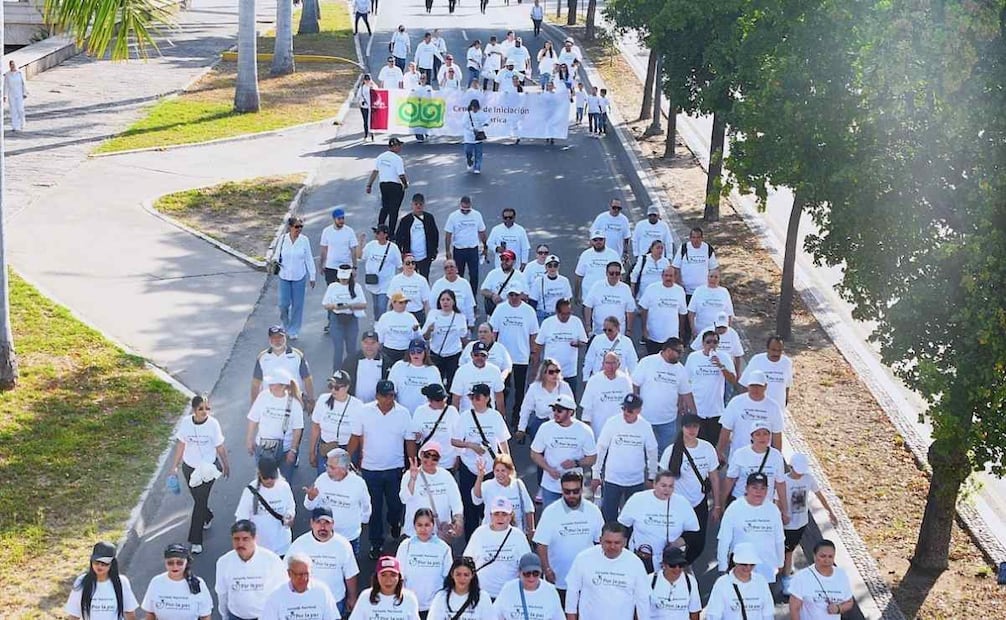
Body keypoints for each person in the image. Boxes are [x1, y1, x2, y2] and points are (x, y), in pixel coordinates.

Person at [349, 380, 415, 559]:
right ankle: (376, 544)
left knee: (395, 505)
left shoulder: (403, 413)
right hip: (370, 469)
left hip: (395, 469)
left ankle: (394, 523)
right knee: (374, 509)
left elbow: (409, 441)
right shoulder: (364, 411)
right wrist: (347, 457)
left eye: (392, 395)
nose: (388, 399)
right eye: (385, 395)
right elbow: (355, 437)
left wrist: (413, 463)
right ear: (377, 396)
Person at [168, 394, 229, 555]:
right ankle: (207, 516)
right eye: (201, 408)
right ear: (194, 410)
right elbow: (181, 444)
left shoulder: (213, 424)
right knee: (198, 500)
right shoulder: (187, 423)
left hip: (208, 469)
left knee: (200, 502)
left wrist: (225, 465)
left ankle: (195, 540)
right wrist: (174, 466)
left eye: (207, 408)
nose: (204, 411)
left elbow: (220, 446)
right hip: (189, 467)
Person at [452, 383, 514, 537]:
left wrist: (509, 463)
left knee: (489, 505)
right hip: (470, 467)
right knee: (469, 506)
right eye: (472, 397)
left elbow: (503, 441)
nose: (474, 400)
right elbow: (454, 441)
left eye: (477, 397)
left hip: (490, 468)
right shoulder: (465, 417)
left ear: (487, 398)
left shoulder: (495, 416)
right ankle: (470, 542)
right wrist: (471, 445)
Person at [659, 415, 721, 565]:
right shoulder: (671, 451)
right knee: (672, 538)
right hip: (676, 503)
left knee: (698, 543)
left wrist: (717, 505)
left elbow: (714, 478)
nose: (692, 430)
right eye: (688, 426)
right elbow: (662, 479)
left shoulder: (707, 448)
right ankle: (673, 565)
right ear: (682, 428)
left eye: (695, 426)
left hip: (699, 501)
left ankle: (683, 564)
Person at [532, 472, 603, 601]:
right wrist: (546, 569)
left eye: (575, 491)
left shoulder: (594, 511)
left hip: (586, 581)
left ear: (582, 489)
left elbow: (600, 543)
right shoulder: (550, 512)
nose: (571, 495)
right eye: (567, 491)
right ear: (561, 490)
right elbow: (541, 544)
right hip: (558, 579)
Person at [592, 394, 658, 522]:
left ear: (639, 410)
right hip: (612, 480)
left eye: (630, 410)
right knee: (608, 517)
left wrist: (652, 476)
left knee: (633, 518)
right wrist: (596, 474)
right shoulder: (612, 422)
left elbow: (652, 451)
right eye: (624, 409)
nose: (626, 413)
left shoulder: (645, 426)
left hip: (635, 481)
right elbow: (601, 449)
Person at [617, 471, 699, 573]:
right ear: (655, 484)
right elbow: (622, 527)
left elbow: (694, 532)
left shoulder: (682, 503)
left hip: (669, 561)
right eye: (663, 485)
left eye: (670, 486)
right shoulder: (638, 499)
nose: (667, 490)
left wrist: (678, 542)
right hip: (642, 558)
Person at [564, 522, 649, 620]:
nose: (612, 546)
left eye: (617, 542)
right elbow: (572, 591)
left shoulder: (635, 563)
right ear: (600, 540)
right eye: (608, 542)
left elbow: (643, 599)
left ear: (625, 542)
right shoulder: (583, 558)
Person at [780, 453, 838, 596]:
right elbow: (777, 500)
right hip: (787, 524)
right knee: (787, 550)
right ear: (791, 467)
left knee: (790, 549)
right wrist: (781, 515)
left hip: (801, 522)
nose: (800, 474)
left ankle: (786, 567)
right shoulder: (783, 482)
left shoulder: (808, 478)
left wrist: (830, 511)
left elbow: (819, 494)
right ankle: (786, 577)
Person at [288, 507, 360, 614]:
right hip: (306, 602)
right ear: (311, 523)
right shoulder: (299, 545)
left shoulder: (343, 545)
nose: (323, 527)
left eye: (327, 522)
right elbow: (286, 572)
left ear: (333, 524)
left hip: (335, 601)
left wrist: (352, 598)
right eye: (318, 522)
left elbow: (350, 574)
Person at [717, 473, 786, 585]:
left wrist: (780, 563)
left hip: (767, 571)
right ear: (746, 488)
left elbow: (779, 540)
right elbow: (724, 540)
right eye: (754, 488)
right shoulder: (734, 508)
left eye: (763, 488)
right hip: (740, 570)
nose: (758, 492)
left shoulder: (773, 510)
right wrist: (722, 566)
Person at [530, 395, 597, 507]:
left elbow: (592, 458)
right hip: (550, 486)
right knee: (550, 519)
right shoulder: (545, 428)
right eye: (554, 409)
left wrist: (576, 463)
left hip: (574, 489)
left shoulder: (584, 431)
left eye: (559, 410)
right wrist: (549, 469)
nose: (555, 413)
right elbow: (534, 453)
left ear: (570, 412)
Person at [633, 338, 696, 455]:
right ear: (668, 350)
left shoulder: (680, 369)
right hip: (645, 418)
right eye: (679, 352)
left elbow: (686, 393)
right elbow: (635, 385)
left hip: (669, 420)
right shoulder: (647, 362)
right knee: (642, 451)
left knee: (666, 453)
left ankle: (662, 473)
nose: (681, 356)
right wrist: (634, 407)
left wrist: (693, 414)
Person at [215, 520, 287, 620]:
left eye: (245, 539)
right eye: (236, 539)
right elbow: (222, 593)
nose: (240, 543)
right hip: (235, 616)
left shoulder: (272, 560)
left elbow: (283, 591)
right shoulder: (224, 562)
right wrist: (224, 615)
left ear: (255, 538)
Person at [463, 497, 533, 598]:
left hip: (509, 595)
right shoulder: (479, 533)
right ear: (490, 515)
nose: (500, 518)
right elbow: (467, 561)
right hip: (482, 595)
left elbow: (527, 565)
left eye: (504, 514)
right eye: (496, 514)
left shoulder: (518, 536)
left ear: (510, 516)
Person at [490, 283, 539, 425]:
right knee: (502, 388)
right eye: (511, 295)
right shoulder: (500, 309)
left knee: (519, 390)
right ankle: (501, 414)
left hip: (521, 356)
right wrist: (493, 350)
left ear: (521, 295)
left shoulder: (528, 311)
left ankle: (517, 415)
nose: (513, 298)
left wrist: (533, 352)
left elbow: (533, 334)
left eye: (516, 295)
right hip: (503, 357)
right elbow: (494, 331)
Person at [303, 449, 372, 551]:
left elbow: (366, 506)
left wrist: (359, 521)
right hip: (325, 536)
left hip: (349, 537)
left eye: (332, 467)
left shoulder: (358, 483)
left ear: (344, 469)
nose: (328, 470)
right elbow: (309, 506)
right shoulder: (322, 480)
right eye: (327, 465)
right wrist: (311, 498)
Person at [246, 373, 305, 482]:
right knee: (263, 482)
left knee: (284, 482)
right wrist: (249, 439)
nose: (269, 386)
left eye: (273, 384)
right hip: (263, 448)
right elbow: (253, 419)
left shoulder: (294, 404)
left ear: (283, 386)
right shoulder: (263, 396)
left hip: (285, 450)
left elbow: (297, 430)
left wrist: (293, 450)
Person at [401, 442, 465, 539]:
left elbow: (456, 501)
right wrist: (413, 479)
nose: (430, 460)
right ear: (421, 455)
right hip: (415, 533)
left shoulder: (446, 475)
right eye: (427, 455)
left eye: (435, 458)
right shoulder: (409, 475)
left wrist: (458, 519)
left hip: (440, 533)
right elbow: (404, 499)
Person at [717, 370, 784, 461]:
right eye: (752, 386)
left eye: (759, 386)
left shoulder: (774, 407)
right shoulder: (736, 402)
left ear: (765, 387)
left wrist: (777, 458)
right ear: (748, 386)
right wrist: (719, 451)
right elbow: (726, 429)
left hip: (763, 460)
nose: (755, 389)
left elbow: (777, 435)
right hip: (738, 457)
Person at [396, 509, 454, 614]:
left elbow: (449, 578)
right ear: (414, 526)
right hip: (410, 606)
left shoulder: (444, 548)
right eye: (419, 525)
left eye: (427, 525)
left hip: (434, 607)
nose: (423, 529)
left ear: (433, 525)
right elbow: (399, 576)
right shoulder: (405, 546)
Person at [684, 330, 736, 445]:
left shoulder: (725, 357)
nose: (711, 345)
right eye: (708, 342)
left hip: (716, 411)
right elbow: (685, 381)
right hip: (696, 409)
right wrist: (684, 403)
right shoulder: (693, 357)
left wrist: (721, 366)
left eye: (715, 342)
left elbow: (733, 380)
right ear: (703, 343)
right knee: (695, 443)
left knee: (713, 445)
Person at [235, 457, 296, 556]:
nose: (269, 481)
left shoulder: (284, 486)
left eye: (272, 477)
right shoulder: (251, 491)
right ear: (259, 474)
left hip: (282, 544)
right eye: (265, 477)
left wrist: (289, 516)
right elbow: (242, 517)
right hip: (260, 547)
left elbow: (291, 506)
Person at [722, 422, 788, 513]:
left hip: (765, 505)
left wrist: (785, 510)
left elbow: (780, 484)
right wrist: (720, 504)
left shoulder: (776, 456)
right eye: (758, 434)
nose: (762, 437)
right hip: (741, 503)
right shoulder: (740, 454)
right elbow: (730, 480)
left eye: (765, 434)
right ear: (752, 437)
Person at [65, 541, 139, 620]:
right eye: (96, 562)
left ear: (112, 564)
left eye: (104, 563)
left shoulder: (122, 582)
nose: (99, 566)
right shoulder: (81, 581)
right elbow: (74, 615)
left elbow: (129, 612)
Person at [309, 370, 365, 473]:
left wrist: (360, 456)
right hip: (326, 448)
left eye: (337, 387)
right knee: (324, 481)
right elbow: (315, 427)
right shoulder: (323, 400)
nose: (333, 390)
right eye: (331, 386)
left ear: (347, 387)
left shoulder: (358, 406)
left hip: (347, 449)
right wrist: (312, 452)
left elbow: (359, 435)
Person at [516, 358, 574, 450]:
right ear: (543, 373)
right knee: (539, 453)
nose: (555, 374)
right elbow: (526, 409)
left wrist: (572, 427)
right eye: (551, 372)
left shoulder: (564, 387)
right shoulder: (534, 387)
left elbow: (572, 408)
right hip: (540, 425)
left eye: (557, 371)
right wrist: (521, 429)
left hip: (559, 424)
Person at [250, 324, 315, 406]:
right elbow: (256, 383)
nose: (277, 341)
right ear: (269, 339)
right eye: (274, 338)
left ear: (285, 338)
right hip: (269, 401)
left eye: (280, 337)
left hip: (293, 400)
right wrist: (254, 405)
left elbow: (307, 379)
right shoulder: (262, 357)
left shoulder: (297, 355)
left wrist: (311, 400)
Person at [705, 543, 774, 620]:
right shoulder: (722, 584)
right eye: (744, 564)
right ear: (735, 562)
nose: (748, 568)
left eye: (752, 564)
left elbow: (768, 613)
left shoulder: (761, 581)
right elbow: (714, 615)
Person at [261, 554, 340, 620]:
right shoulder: (276, 596)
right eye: (299, 575)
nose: (304, 578)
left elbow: (332, 617)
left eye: (306, 574)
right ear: (289, 573)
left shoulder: (322, 590)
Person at [472, 453, 535, 536]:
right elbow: (476, 500)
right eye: (497, 471)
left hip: (515, 534)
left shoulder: (518, 484)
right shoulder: (487, 485)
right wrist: (480, 477)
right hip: (491, 534)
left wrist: (531, 530)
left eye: (503, 470)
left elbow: (528, 509)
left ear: (510, 471)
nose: (500, 474)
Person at [788, 539, 854, 618]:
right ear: (815, 556)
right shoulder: (802, 577)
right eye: (823, 556)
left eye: (830, 557)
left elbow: (849, 602)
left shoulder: (841, 575)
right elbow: (794, 608)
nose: (826, 560)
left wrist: (838, 608)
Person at [532, 299, 587, 392]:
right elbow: (538, 345)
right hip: (550, 372)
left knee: (569, 402)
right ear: (557, 312)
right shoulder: (548, 323)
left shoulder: (576, 322)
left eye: (568, 313)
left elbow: (584, 342)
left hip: (569, 372)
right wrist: (536, 368)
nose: (566, 316)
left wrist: (578, 344)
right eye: (563, 314)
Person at [275, 216, 316, 340]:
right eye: (296, 226)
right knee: (283, 304)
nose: (299, 229)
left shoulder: (304, 240)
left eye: (301, 227)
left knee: (297, 305)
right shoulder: (283, 239)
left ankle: (293, 329)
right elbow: (277, 254)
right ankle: (285, 324)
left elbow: (308, 258)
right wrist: (274, 262)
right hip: (284, 276)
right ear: (290, 227)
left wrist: (312, 276)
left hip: (299, 277)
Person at [324, 265, 369, 371]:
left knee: (351, 349)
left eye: (345, 277)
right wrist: (335, 306)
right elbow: (326, 304)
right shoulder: (333, 287)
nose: (343, 280)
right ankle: (337, 374)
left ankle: (351, 372)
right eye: (342, 277)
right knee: (338, 349)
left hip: (351, 318)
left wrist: (349, 306)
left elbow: (364, 304)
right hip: (336, 318)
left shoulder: (356, 287)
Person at [493, 553, 564, 620]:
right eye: (527, 573)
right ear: (519, 572)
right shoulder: (508, 589)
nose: (531, 577)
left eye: (535, 573)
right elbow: (493, 616)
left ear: (540, 573)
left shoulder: (550, 591)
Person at [349, 557, 422, 620]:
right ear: (376, 577)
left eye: (393, 575)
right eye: (383, 575)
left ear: (399, 577)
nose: (388, 579)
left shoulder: (409, 598)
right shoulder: (365, 597)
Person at [638, 267, 688, 356]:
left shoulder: (680, 291)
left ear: (675, 277)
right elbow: (644, 309)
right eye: (666, 275)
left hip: (672, 336)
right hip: (653, 335)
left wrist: (681, 332)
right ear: (662, 276)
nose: (668, 278)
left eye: (671, 276)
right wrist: (644, 329)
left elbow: (682, 313)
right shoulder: (652, 288)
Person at [410, 383, 462, 469]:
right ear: (429, 400)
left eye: (443, 399)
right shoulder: (420, 411)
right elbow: (415, 437)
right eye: (438, 400)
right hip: (427, 461)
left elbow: (458, 436)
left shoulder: (452, 411)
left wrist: (458, 456)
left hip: (447, 461)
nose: (442, 402)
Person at [424, 289, 469, 386]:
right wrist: (429, 330)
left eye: (448, 299)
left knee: (452, 384)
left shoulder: (459, 317)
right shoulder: (433, 314)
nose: (445, 302)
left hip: (454, 354)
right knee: (435, 384)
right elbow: (425, 337)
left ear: (453, 301)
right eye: (442, 299)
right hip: (436, 354)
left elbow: (463, 337)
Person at [580, 351, 634, 433]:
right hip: (598, 429)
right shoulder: (594, 381)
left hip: (620, 430)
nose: (610, 366)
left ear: (619, 364)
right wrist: (587, 430)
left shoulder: (625, 380)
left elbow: (630, 406)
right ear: (603, 364)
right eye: (608, 363)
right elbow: (587, 409)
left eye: (613, 363)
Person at [444, 195, 490, 292]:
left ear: (471, 206)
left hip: (473, 250)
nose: (465, 211)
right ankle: (458, 296)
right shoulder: (453, 216)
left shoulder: (477, 215)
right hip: (459, 250)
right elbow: (448, 234)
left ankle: (473, 298)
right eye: (463, 209)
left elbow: (482, 232)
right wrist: (448, 250)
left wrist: (485, 247)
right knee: (458, 275)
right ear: (460, 205)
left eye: (467, 210)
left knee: (474, 275)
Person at [428, 556, 495, 620]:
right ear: (452, 574)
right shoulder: (441, 596)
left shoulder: (483, 597)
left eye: (466, 575)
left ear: (472, 575)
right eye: (458, 574)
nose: (462, 578)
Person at [366, 138, 409, 237]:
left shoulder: (381, 157)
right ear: (394, 146)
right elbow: (401, 174)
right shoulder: (397, 159)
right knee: (394, 210)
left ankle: (380, 227)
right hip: (395, 185)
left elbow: (375, 171)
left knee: (385, 207)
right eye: (398, 145)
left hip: (384, 185)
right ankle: (391, 233)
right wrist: (405, 184)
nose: (400, 147)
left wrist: (369, 184)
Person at [389, 339, 443, 413]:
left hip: (425, 414)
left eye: (419, 351)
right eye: (412, 352)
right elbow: (391, 392)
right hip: (402, 413)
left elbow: (439, 395)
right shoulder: (398, 366)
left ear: (425, 352)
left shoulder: (433, 370)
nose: (416, 354)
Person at [452, 341, 507, 414]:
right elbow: (456, 398)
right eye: (476, 355)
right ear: (471, 355)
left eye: (483, 355)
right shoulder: (461, 371)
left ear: (487, 356)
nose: (479, 358)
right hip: (467, 416)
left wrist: (502, 417)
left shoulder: (495, 371)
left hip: (489, 415)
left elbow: (499, 396)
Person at [362, 224, 404, 320]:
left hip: (386, 283)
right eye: (375, 232)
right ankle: (377, 322)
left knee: (382, 306)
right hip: (373, 281)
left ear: (385, 234)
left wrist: (403, 280)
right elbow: (361, 256)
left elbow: (400, 265)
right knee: (376, 306)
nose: (376, 235)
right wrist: (361, 242)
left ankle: (381, 324)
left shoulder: (393, 248)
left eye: (378, 232)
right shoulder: (371, 245)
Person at [583, 260, 636, 337]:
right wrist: (588, 327)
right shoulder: (597, 286)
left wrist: (629, 330)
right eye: (611, 273)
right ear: (606, 273)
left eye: (617, 273)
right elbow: (588, 306)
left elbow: (630, 310)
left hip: (618, 334)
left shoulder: (625, 288)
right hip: (598, 332)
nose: (614, 276)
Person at [740, 335, 794, 408]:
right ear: (767, 349)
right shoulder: (757, 360)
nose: (776, 353)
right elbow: (744, 384)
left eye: (779, 350)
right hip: (758, 409)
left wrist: (785, 403)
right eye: (773, 350)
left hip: (777, 410)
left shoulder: (787, 363)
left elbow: (787, 386)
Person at [647, 547, 701, 620]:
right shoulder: (650, 580)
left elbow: (694, 612)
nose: (677, 569)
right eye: (673, 565)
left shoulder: (690, 581)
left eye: (681, 565)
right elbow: (640, 608)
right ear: (664, 564)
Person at [395, 194, 440, 280]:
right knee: (410, 279)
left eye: (420, 204)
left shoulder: (429, 218)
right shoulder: (406, 220)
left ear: (424, 205)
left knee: (424, 279)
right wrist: (401, 253)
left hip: (425, 256)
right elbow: (399, 237)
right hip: (410, 256)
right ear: (412, 205)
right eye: (416, 204)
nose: (418, 206)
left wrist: (434, 250)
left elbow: (435, 235)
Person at [671, 227, 718, 304]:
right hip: (686, 291)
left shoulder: (708, 248)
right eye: (693, 237)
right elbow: (676, 267)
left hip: (703, 291)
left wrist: (712, 286)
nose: (696, 240)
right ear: (690, 238)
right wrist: (679, 284)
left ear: (702, 238)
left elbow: (714, 269)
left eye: (698, 237)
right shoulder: (684, 248)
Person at [320, 207, 364, 287]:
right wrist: (322, 264)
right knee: (332, 292)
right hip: (331, 267)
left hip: (346, 267)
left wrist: (354, 267)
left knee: (347, 292)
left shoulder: (349, 231)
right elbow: (324, 250)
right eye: (339, 219)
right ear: (334, 219)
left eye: (343, 218)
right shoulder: (326, 231)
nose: (341, 221)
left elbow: (353, 250)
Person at [573, 230, 621, 303]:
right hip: (588, 295)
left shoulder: (613, 254)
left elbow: (620, 276)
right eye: (595, 240)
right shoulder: (585, 255)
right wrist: (576, 296)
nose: (598, 242)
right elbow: (579, 276)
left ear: (605, 240)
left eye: (600, 239)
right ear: (591, 241)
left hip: (608, 296)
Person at [431, 259, 478, 331]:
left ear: (457, 269)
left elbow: (469, 304)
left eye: (451, 267)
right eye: (446, 268)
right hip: (443, 323)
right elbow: (433, 306)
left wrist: (471, 322)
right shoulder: (438, 285)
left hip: (461, 322)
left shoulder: (464, 283)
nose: (449, 269)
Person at [376, 291, 422, 366]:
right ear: (393, 303)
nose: (404, 305)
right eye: (401, 302)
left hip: (405, 351)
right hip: (389, 351)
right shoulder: (385, 317)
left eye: (405, 302)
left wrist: (415, 331)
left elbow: (418, 338)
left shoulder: (410, 317)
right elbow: (379, 337)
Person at [687, 269, 734, 339]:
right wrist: (693, 329)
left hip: (719, 330)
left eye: (716, 277)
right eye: (711, 276)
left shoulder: (724, 292)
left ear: (719, 279)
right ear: (707, 277)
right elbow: (691, 312)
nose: (713, 279)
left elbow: (729, 314)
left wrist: (728, 331)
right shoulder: (699, 290)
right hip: (701, 329)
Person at [480, 249, 528, 318]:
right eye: (502, 259)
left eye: (507, 259)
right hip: (495, 313)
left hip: (513, 313)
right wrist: (493, 295)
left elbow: (526, 295)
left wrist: (512, 298)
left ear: (514, 262)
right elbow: (483, 290)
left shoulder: (520, 276)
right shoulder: (493, 273)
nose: (504, 262)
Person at [344, 330, 386, 402]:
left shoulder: (386, 362)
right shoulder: (351, 360)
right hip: (354, 404)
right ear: (361, 344)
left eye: (373, 343)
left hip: (377, 406)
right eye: (366, 342)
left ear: (378, 344)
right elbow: (342, 382)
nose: (369, 346)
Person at [629, 240, 670, 306]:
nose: (660, 250)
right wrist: (632, 290)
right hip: (642, 294)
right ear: (651, 249)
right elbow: (634, 275)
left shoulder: (665, 261)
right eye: (658, 248)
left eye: (662, 248)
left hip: (659, 295)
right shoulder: (643, 259)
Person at [4, 60, 27, 132]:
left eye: (14, 64)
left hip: (19, 93)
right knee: (13, 110)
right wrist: (5, 95)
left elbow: (24, 83)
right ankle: (15, 126)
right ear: (9, 66)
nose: (12, 66)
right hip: (11, 94)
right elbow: (6, 85)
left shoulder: (20, 73)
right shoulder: (7, 74)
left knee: (20, 109)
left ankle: (22, 123)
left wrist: (25, 93)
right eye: (11, 65)